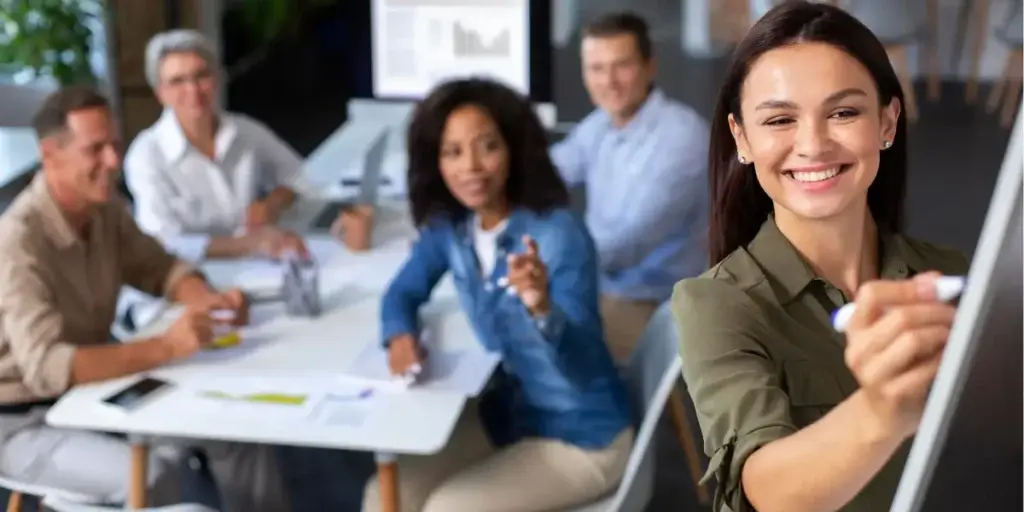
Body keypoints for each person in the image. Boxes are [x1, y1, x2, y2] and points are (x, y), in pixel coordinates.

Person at [671, 3, 970, 512]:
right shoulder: (716, 304)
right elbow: (766, 489)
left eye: (843, 112)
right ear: (741, 137)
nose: (812, 144)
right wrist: (883, 409)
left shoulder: (960, 279)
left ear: (887, 122)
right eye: (780, 119)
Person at [0, 86, 291, 512]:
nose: (114, 162)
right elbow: (47, 368)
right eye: (95, 149)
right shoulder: (18, 241)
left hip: (96, 391)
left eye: (114, 144)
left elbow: (159, 267)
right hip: (21, 420)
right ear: (50, 155)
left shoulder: (104, 209)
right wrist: (168, 346)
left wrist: (204, 300)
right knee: (150, 476)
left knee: (236, 428)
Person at [362, 78, 634, 512]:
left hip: (582, 435)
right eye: (452, 152)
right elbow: (403, 290)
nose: (470, 166)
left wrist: (542, 308)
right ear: (436, 162)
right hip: (507, 420)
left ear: (513, 148)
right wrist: (400, 337)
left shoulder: (559, 235)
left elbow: (584, 359)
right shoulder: (452, 228)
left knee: (448, 509)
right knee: (384, 497)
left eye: (486, 146)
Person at [550, 11, 710, 361]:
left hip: (649, 307)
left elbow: (628, 246)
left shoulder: (681, 138)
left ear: (650, 67)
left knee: (534, 340)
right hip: (603, 290)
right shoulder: (601, 125)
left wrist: (548, 261)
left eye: (622, 66)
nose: (609, 81)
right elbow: (547, 174)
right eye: (596, 68)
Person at [124, 29, 307, 261]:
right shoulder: (146, 154)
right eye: (177, 81)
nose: (193, 90)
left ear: (217, 78)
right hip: (195, 277)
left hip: (261, 265)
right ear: (160, 93)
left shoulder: (245, 131)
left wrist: (273, 202)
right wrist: (246, 244)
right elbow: (163, 240)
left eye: (201, 75)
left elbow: (300, 176)